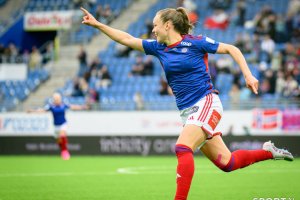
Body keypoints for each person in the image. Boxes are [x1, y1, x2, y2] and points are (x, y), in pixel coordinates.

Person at [80, 7, 294, 200]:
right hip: (188, 112)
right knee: (227, 163)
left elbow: (232, 49)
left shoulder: (195, 42)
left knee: (182, 147)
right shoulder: (158, 48)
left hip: (206, 102)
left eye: (155, 25)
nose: (153, 30)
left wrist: (248, 75)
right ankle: (269, 152)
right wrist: (98, 24)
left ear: (167, 25)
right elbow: (126, 39)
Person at [28, 93, 88, 160]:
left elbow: (73, 107)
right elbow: (42, 110)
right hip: (56, 126)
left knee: (62, 134)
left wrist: (82, 107)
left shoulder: (64, 105)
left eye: (58, 98)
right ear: (53, 99)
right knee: (59, 140)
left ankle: (65, 152)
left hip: (63, 124)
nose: (57, 100)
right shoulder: (51, 106)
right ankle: (62, 150)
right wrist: (32, 111)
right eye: (55, 99)